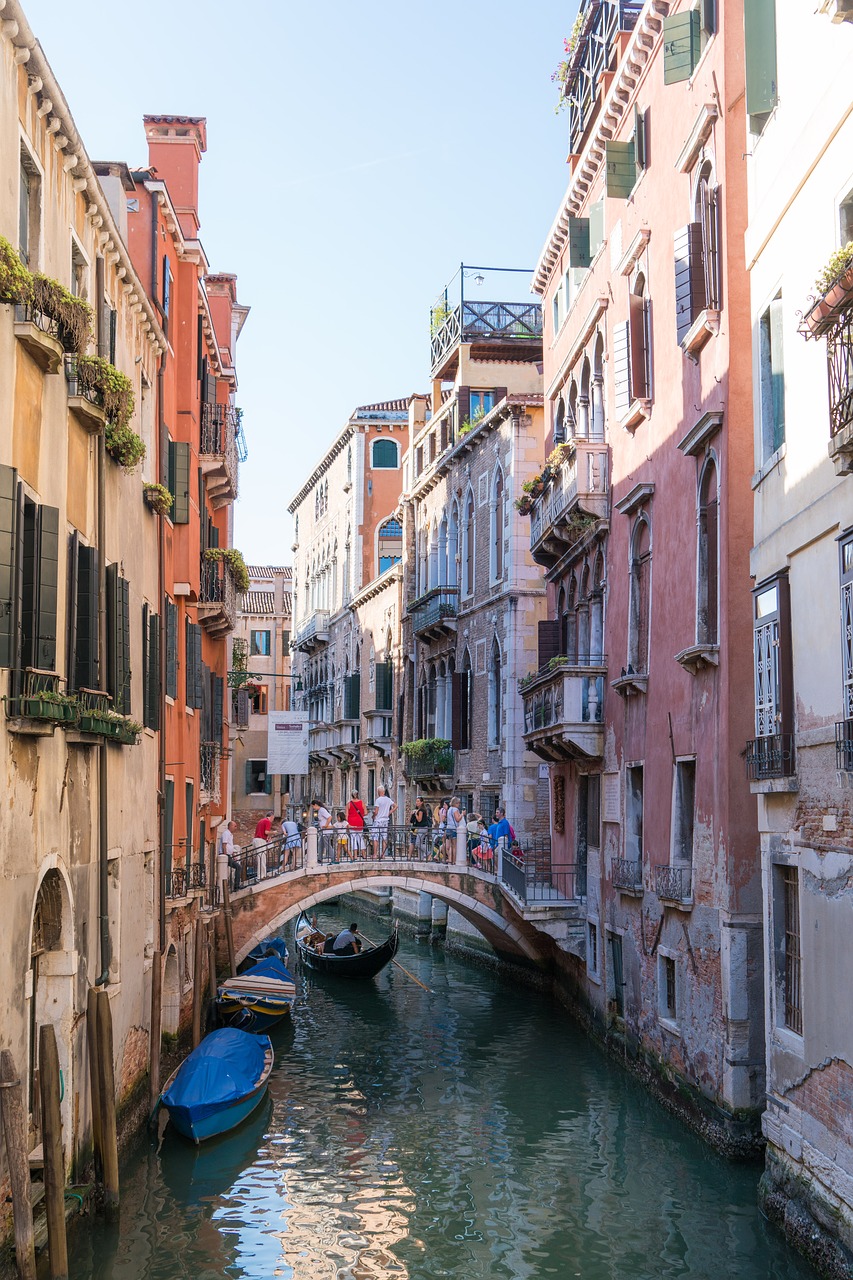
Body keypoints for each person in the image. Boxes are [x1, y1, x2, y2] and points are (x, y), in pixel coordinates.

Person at [371, 786, 396, 856]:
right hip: (385, 821)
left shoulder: (378, 800)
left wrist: (373, 816)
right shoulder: (388, 799)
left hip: (378, 820)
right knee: (384, 837)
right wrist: (389, 812)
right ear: (384, 792)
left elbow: (376, 812)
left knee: (375, 837)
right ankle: (383, 854)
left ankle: (375, 854)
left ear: (378, 792)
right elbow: (396, 806)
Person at [252, 810, 273, 880]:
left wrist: (267, 838)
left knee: (260, 858)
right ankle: (261, 876)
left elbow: (262, 832)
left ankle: (262, 875)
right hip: (260, 840)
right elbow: (266, 832)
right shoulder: (267, 821)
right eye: (273, 818)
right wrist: (274, 832)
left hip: (256, 840)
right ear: (271, 816)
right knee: (262, 858)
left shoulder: (261, 821)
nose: (273, 820)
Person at [220, 820, 241, 890]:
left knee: (238, 867)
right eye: (235, 826)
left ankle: (236, 885)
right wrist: (225, 855)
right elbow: (224, 844)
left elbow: (230, 846)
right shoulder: (226, 833)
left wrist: (233, 855)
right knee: (238, 867)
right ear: (230, 826)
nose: (236, 828)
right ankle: (236, 886)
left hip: (229, 855)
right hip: (225, 855)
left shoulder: (230, 835)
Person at [445, 796, 464, 860]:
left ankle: (450, 859)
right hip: (453, 829)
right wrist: (462, 814)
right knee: (454, 846)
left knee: (450, 846)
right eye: (458, 803)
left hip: (448, 828)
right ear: (455, 803)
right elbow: (457, 819)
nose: (459, 804)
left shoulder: (449, 809)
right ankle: (454, 860)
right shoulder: (455, 810)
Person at [347, 789, 366, 854]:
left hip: (351, 822)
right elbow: (366, 812)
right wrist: (361, 814)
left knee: (353, 839)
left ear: (352, 795)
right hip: (359, 822)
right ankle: (363, 854)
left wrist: (347, 825)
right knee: (360, 838)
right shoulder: (362, 803)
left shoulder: (349, 804)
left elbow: (346, 815)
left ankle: (355, 855)